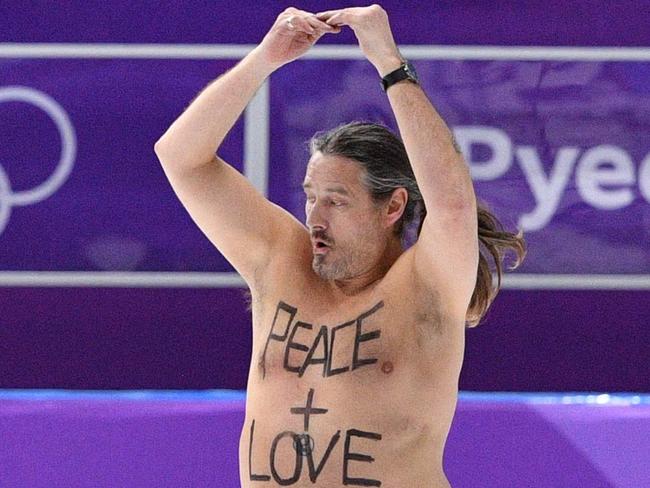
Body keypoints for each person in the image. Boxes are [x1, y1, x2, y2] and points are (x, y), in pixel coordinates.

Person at [155, 5, 526, 487]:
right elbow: (181, 158)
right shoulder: (281, 261)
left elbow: (452, 205)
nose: (315, 217)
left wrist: (389, 63)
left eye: (336, 201)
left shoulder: (427, 285)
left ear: (393, 207)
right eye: (311, 197)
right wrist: (266, 59)